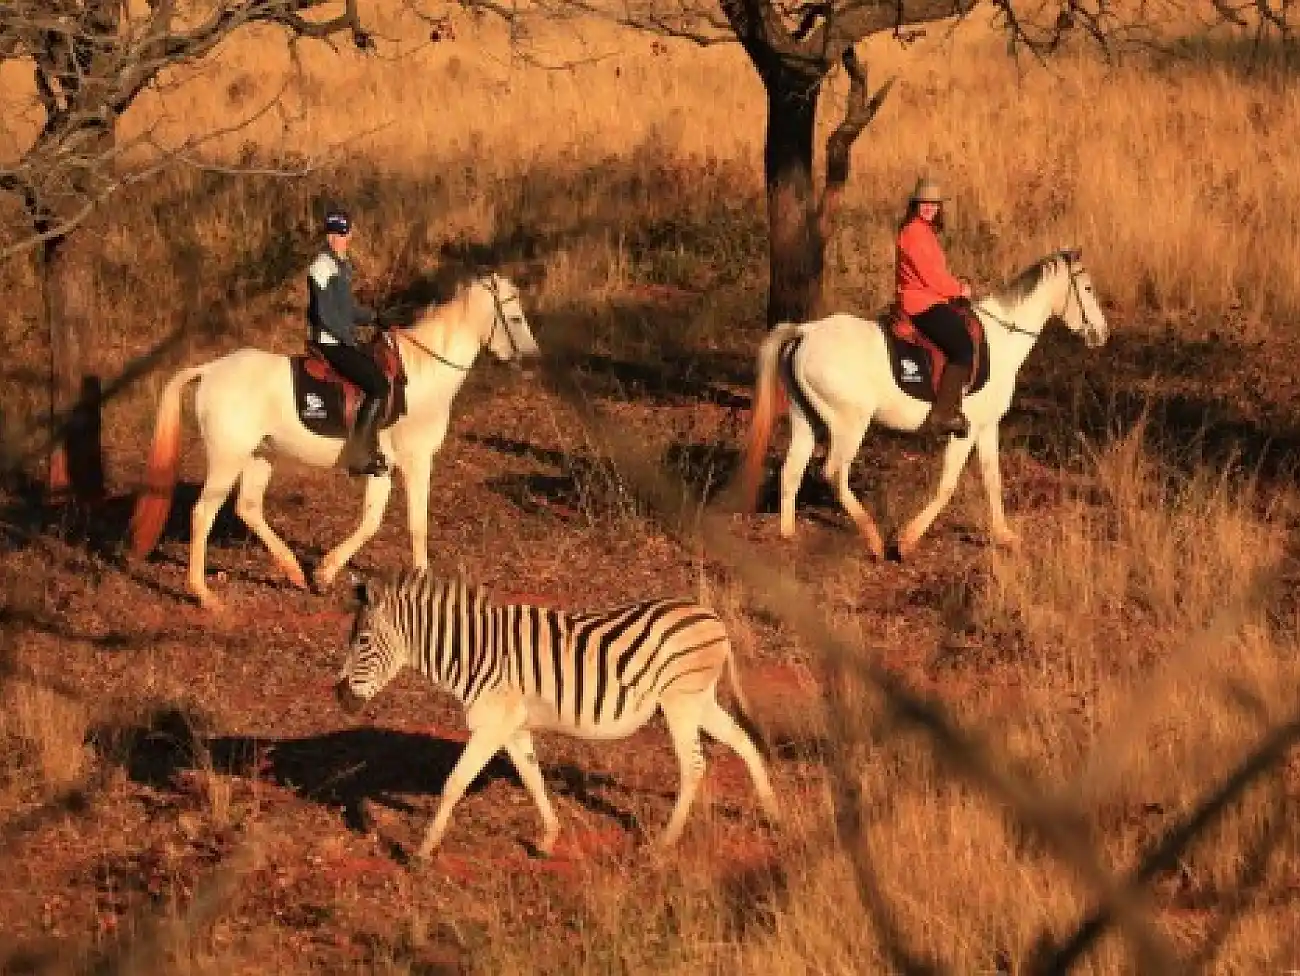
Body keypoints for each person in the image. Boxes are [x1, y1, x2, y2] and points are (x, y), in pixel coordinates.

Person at [306, 207, 390, 477]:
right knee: (378, 385)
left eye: (340, 233)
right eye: (331, 233)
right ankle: (358, 455)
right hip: (331, 342)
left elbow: (347, 308)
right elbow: (325, 314)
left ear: (350, 234)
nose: (335, 238)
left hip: (343, 339)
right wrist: (349, 339)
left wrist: (375, 318)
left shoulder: (343, 266)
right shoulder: (321, 267)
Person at [895, 176, 975, 438]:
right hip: (920, 303)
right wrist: (958, 289)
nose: (929, 207)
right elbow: (930, 276)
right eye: (924, 203)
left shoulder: (924, 231)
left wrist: (954, 285)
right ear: (915, 205)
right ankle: (943, 414)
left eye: (933, 203)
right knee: (963, 346)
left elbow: (936, 273)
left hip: (929, 297)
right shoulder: (915, 233)